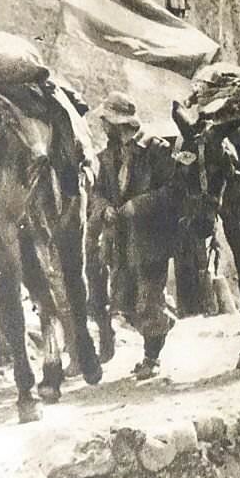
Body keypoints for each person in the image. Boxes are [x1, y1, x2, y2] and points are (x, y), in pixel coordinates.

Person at [87, 92, 178, 379]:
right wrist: (104, 211)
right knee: (125, 300)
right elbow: (98, 192)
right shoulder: (108, 155)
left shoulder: (156, 150)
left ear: (119, 123)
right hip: (121, 241)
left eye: (106, 120)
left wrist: (135, 207)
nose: (103, 125)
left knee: (148, 299)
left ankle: (152, 357)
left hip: (150, 238)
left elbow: (172, 191)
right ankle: (164, 321)